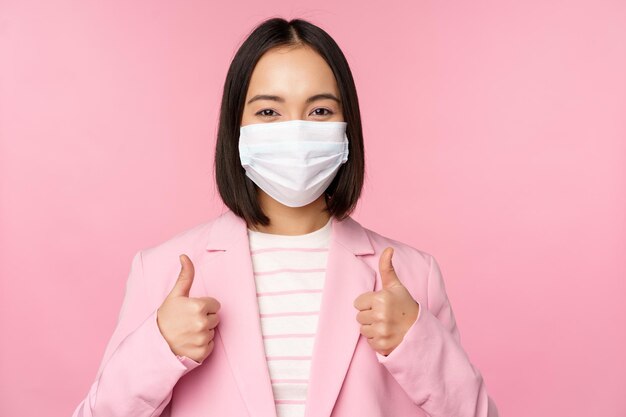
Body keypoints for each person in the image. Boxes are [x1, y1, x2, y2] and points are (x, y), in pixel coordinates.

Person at [72, 16, 499, 417]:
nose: (295, 131)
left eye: (319, 111)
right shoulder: (162, 270)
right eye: (269, 112)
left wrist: (418, 344)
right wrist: (159, 348)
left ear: (347, 128)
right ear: (236, 131)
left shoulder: (413, 275)